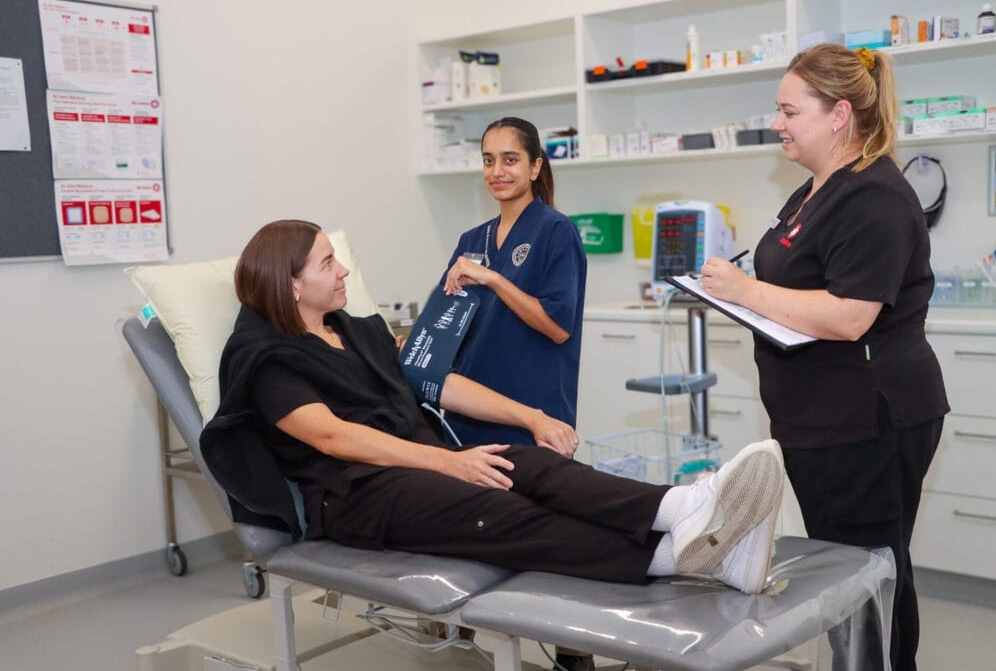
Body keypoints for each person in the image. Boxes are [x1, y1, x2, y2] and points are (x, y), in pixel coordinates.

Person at [199, 219, 786, 603]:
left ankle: (683, 507)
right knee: (496, 508)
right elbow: (333, 438)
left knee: (530, 466)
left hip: (420, 464)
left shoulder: (354, 331)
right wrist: (447, 464)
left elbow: (434, 384)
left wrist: (530, 417)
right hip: (359, 496)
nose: (344, 270)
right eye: (328, 264)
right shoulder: (267, 360)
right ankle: (682, 557)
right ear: (291, 284)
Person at [697, 44, 949, 671]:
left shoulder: (876, 197)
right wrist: (739, 286)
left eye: (789, 110)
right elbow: (798, 280)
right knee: (852, 573)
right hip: (819, 420)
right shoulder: (814, 190)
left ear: (839, 114)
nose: (777, 122)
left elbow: (850, 314)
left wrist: (747, 291)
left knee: (870, 574)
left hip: (866, 420)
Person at [441, 117, 586, 453]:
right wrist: (419, 344)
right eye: (488, 161)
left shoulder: (556, 232)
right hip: (468, 419)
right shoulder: (472, 239)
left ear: (535, 167)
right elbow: (448, 325)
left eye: (510, 159)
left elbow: (558, 328)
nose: (497, 171)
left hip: (533, 419)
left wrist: (493, 279)